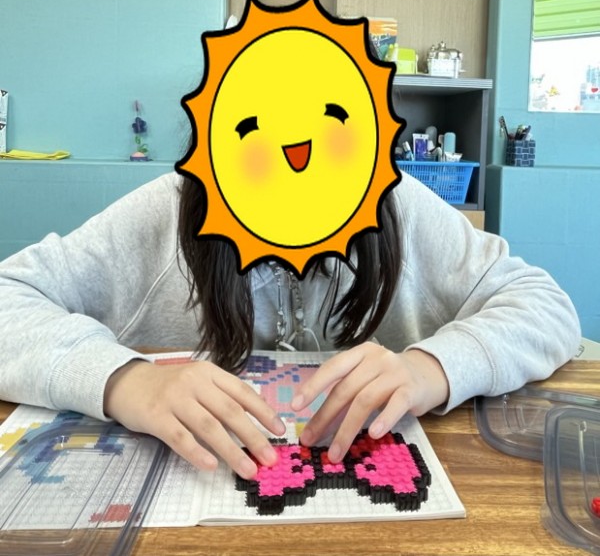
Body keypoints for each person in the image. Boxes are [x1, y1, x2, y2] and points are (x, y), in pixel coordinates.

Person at [0, 168, 580, 481]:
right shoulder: (164, 211)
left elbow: (545, 305)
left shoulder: (399, 204)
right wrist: (126, 379)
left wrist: (431, 368)